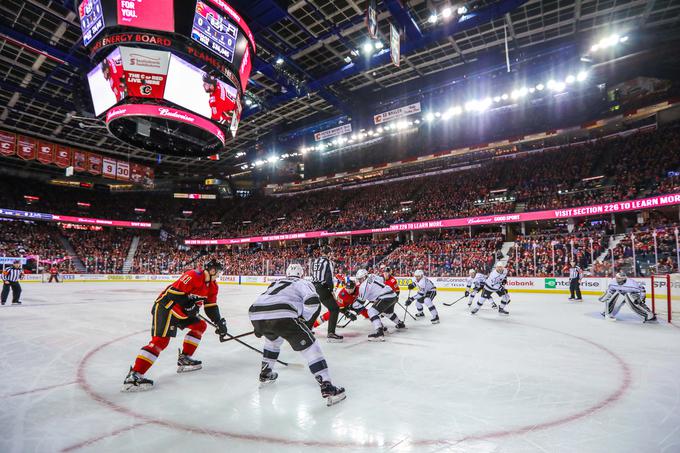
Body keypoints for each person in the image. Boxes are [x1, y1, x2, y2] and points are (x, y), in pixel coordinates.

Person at [121, 259, 228, 392]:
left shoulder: (213, 286)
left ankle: (185, 358)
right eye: (218, 272)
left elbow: (211, 306)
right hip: (167, 308)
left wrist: (219, 322)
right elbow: (173, 293)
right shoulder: (194, 275)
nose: (219, 275)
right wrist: (189, 305)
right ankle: (134, 376)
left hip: (182, 313)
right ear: (212, 270)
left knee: (200, 325)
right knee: (160, 341)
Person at [249, 263, 346, 406]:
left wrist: (259, 325)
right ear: (302, 273)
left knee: (272, 341)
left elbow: (265, 300)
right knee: (311, 346)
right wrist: (303, 318)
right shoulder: (303, 282)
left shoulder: (276, 282)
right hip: (282, 314)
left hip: (255, 313)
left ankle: (265, 374)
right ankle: (327, 386)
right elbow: (313, 301)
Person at [351, 269, 405, 341]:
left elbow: (361, 301)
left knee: (371, 311)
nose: (359, 280)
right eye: (359, 279)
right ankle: (400, 323)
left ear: (364, 277)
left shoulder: (363, 286)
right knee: (387, 312)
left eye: (360, 279)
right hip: (393, 295)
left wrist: (352, 306)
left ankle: (379, 331)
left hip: (384, 297)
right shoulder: (372, 275)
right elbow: (382, 280)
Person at [311, 246, 343, 342]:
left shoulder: (315, 261)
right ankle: (331, 333)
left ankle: (307, 329)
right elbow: (329, 278)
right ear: (328, 253)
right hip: (322, 288)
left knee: (314, 309)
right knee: (334, 309)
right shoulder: (328, 262)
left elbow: (313, 274)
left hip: (313, 288)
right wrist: (331, 290)